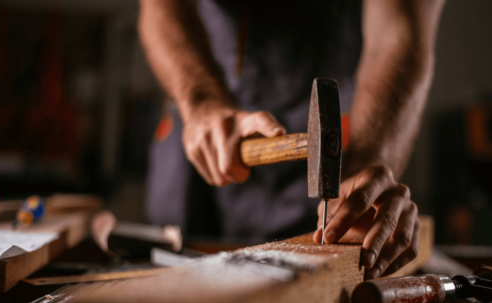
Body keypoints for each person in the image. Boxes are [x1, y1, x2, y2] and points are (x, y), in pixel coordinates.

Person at [139, 0, 444, 279]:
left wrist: (366, 173)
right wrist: (200, 100)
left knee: (315, 275)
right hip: (201, 133)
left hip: (343, 154)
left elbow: (398, 37)